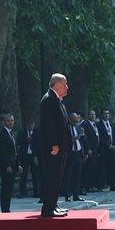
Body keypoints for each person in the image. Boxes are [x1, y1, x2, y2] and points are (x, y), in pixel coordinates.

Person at [37, 73, 72, 218]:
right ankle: (48, 208)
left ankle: (53, 204)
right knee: (51, 176)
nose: (67, 87)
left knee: (56, 177)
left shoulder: (58, 100)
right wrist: (54, 144)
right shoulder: (49, 99)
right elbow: (49, 125)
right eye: (65, 84)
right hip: (53, 148)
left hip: (61, 147)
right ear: (57, 84)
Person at [0, 112, 20, 213]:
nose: (10, 122)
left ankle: (7, 208)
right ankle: (4, 209)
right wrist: (7, 165)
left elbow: (14, 151)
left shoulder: (11, 133)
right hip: (6, 166)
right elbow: (2, 152)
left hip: (13, 164)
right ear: (4, 122)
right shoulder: (1, 134)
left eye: (12, 121)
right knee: (6, 188)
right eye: (8, 121)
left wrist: (18, 165)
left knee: (10, 188)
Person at [65, 112, 88, 202]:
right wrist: (71, 140)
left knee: (77, 176)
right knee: (68, 175)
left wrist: (83, 134)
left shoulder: (79, 128)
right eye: (74, 121)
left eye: (77, 121)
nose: (75, 123)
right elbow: (63, 141)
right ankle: (67, 195)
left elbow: (84, 141)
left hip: (78, 153)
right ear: (70, 120)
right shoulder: (66, 129)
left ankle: (76, 195)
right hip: (70, 154)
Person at [17, 119, 39, 198]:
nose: (30, 126)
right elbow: (18, 143)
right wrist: (26, 140)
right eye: (29, 124)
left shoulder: (36, 132)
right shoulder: (22, 132)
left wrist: (36, 156)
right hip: (25, 156)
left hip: (33, 155)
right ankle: (22, 192)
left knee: (35, 175)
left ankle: (36, 192)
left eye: (32, 124)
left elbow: (38, 144)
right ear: (26, 124)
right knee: (24, 174)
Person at [81, 110, 102, 192]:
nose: (93, 116)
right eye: (91, 114)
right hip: (90, 149)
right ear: (88, 115)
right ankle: (88, 186)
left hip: (96, 149)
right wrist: (88, 149)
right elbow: (85, 139)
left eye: (94, 114)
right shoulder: (85, 124)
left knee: (95, 168)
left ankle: (94, 185)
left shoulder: (96, 125)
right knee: (89, 168)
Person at [99, 108, 115, 191]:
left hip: (112, 150)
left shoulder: (112, 124)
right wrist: (108, 145)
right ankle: (102, 185)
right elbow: (100, 137)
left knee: (112, 168)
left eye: (108, 113)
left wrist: (114, 145)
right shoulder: (99, 125)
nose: (106, 115)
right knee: (102, 168)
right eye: (105, 113)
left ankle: (112, 185)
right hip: (104, 149)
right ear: (102, 115)